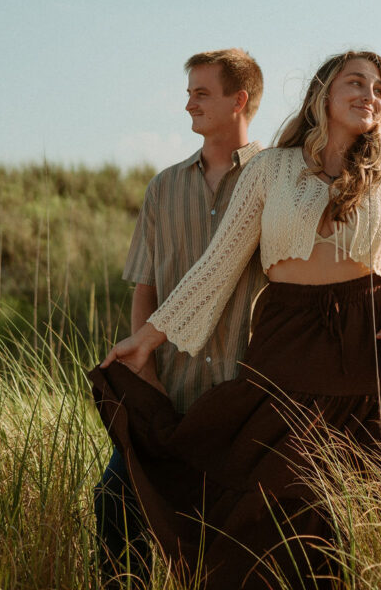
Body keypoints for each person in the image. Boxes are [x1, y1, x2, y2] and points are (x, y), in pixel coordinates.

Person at [91, 50, 381, 589]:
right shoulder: (271, 169)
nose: (369, 95)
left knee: (344, 527)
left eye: (378, 89)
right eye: (356, 83)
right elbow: (216, 267)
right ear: (323, 93)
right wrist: (147, 338)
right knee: (264, 513)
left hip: (371, 357)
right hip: (288, 354)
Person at [94, 48, 266, 583]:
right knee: (115, 501)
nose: (187, 103)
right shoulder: (163, 187)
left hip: (245, 394)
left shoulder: (277, 181)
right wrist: (145, 370)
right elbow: (145, 283)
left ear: (238, 101)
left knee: (237, 537)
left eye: (200, 93)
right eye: (189, 91)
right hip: (170, 390)